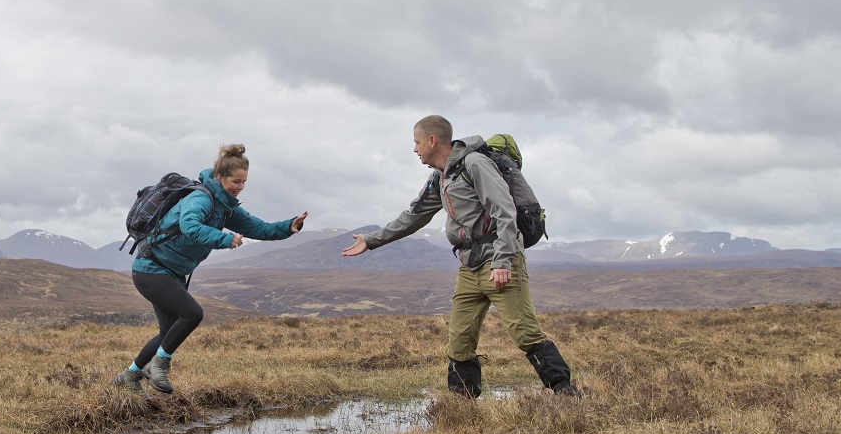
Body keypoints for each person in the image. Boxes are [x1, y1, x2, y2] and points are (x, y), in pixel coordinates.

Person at [342, 115, 579, 397]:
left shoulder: (475, 165)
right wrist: (371, 240)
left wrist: (503, 261)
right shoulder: (440, 177)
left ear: (433, 140)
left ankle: (565, 394)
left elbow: (504, 211)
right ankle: (461, 404)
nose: (414, 149)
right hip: (469, 266)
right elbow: (414, 216)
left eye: (417, 142)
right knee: (459, 340)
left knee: (524, 332)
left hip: (498, 260)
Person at [114, 144, 308, 394]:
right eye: (235, 181)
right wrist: (225, 239)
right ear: (220, 177)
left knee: (168, 331)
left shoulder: (226, 207)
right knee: (192, 314)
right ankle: (158, 365)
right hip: (151, 268)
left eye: (244, 182)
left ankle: (129, 376)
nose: (240, 187)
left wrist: (289, 225)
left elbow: (258, 228)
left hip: (170, 272)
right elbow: (189, 226)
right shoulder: (200, 198)